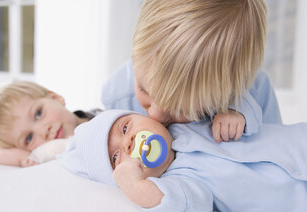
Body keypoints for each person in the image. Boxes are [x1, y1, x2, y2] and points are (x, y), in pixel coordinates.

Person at [61, 109, 307, 212]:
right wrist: (135, 186)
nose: (128, 142)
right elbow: (182, 207)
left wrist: (237, 112)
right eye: (116, 156)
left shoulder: (189, 117)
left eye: (125, 128)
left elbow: (249, 99)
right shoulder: (180, 184)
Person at [102, 0, 282, 143]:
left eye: (180, 109)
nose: (155, 114)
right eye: (143, 89)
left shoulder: (257, 92)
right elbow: (103, 139)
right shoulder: (119, 92)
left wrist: (239, 112)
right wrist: (80, 121)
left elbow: (277, 154)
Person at [0, 81, 96, 167]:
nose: (43, 130)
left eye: (38, 114)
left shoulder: (103, 117)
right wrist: (23, 159)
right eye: (29, 138)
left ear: (56, 98)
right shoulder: (59, 157)